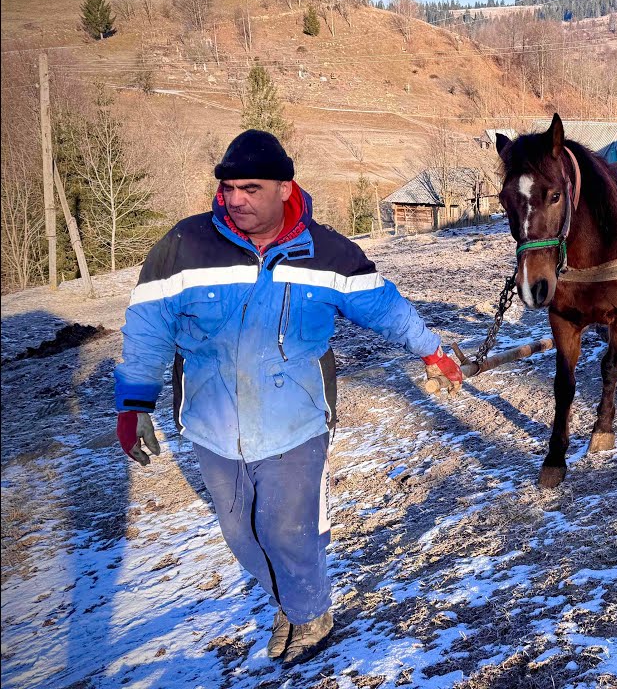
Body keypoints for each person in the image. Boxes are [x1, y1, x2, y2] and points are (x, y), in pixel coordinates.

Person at [113, 129, 464, 663]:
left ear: (284, 188)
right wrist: (135, 404)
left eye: (250, 188)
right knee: (241, 535)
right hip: (211, 424)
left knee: (289, 532)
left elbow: (384, 307)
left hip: (295, 422)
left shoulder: (329, 253)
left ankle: (308, 610)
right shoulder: (184, 246)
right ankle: (293, 599)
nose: (236, 200)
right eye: (229, 188)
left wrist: (432, 349)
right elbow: (147, 328)